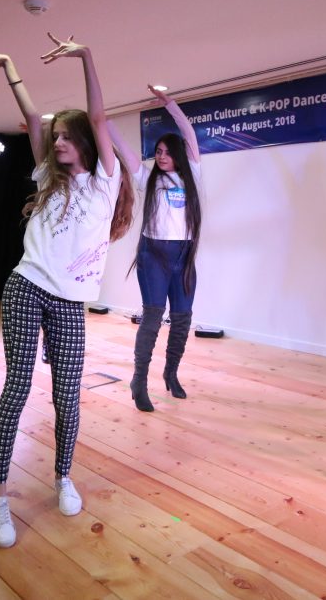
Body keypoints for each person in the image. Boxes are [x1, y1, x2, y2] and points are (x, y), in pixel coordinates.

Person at [0, 33, 133, 548]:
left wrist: (87, 56)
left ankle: (63, 476)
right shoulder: (46, 176)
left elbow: (100, 117)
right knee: (16, 388)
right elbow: (32, 116)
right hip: (26, 287)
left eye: (65, 136)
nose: (57, 142)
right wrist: (10, 66)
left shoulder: (105, 181)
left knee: (67, 396)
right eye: (54, 136)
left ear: (84, 141)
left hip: (70, 301)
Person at [110, 86, 202, 412]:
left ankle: (171, 372)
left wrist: (169, 104)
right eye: (158, 151)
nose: (161, 156)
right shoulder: (148, 178)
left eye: (166, 152)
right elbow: (124, 150)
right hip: (154, 256)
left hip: (183, 255)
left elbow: (189, 134)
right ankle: (139, 381)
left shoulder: (192, 176)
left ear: (177, 154)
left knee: (182, 318)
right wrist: (103, 122)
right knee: (152, 317)